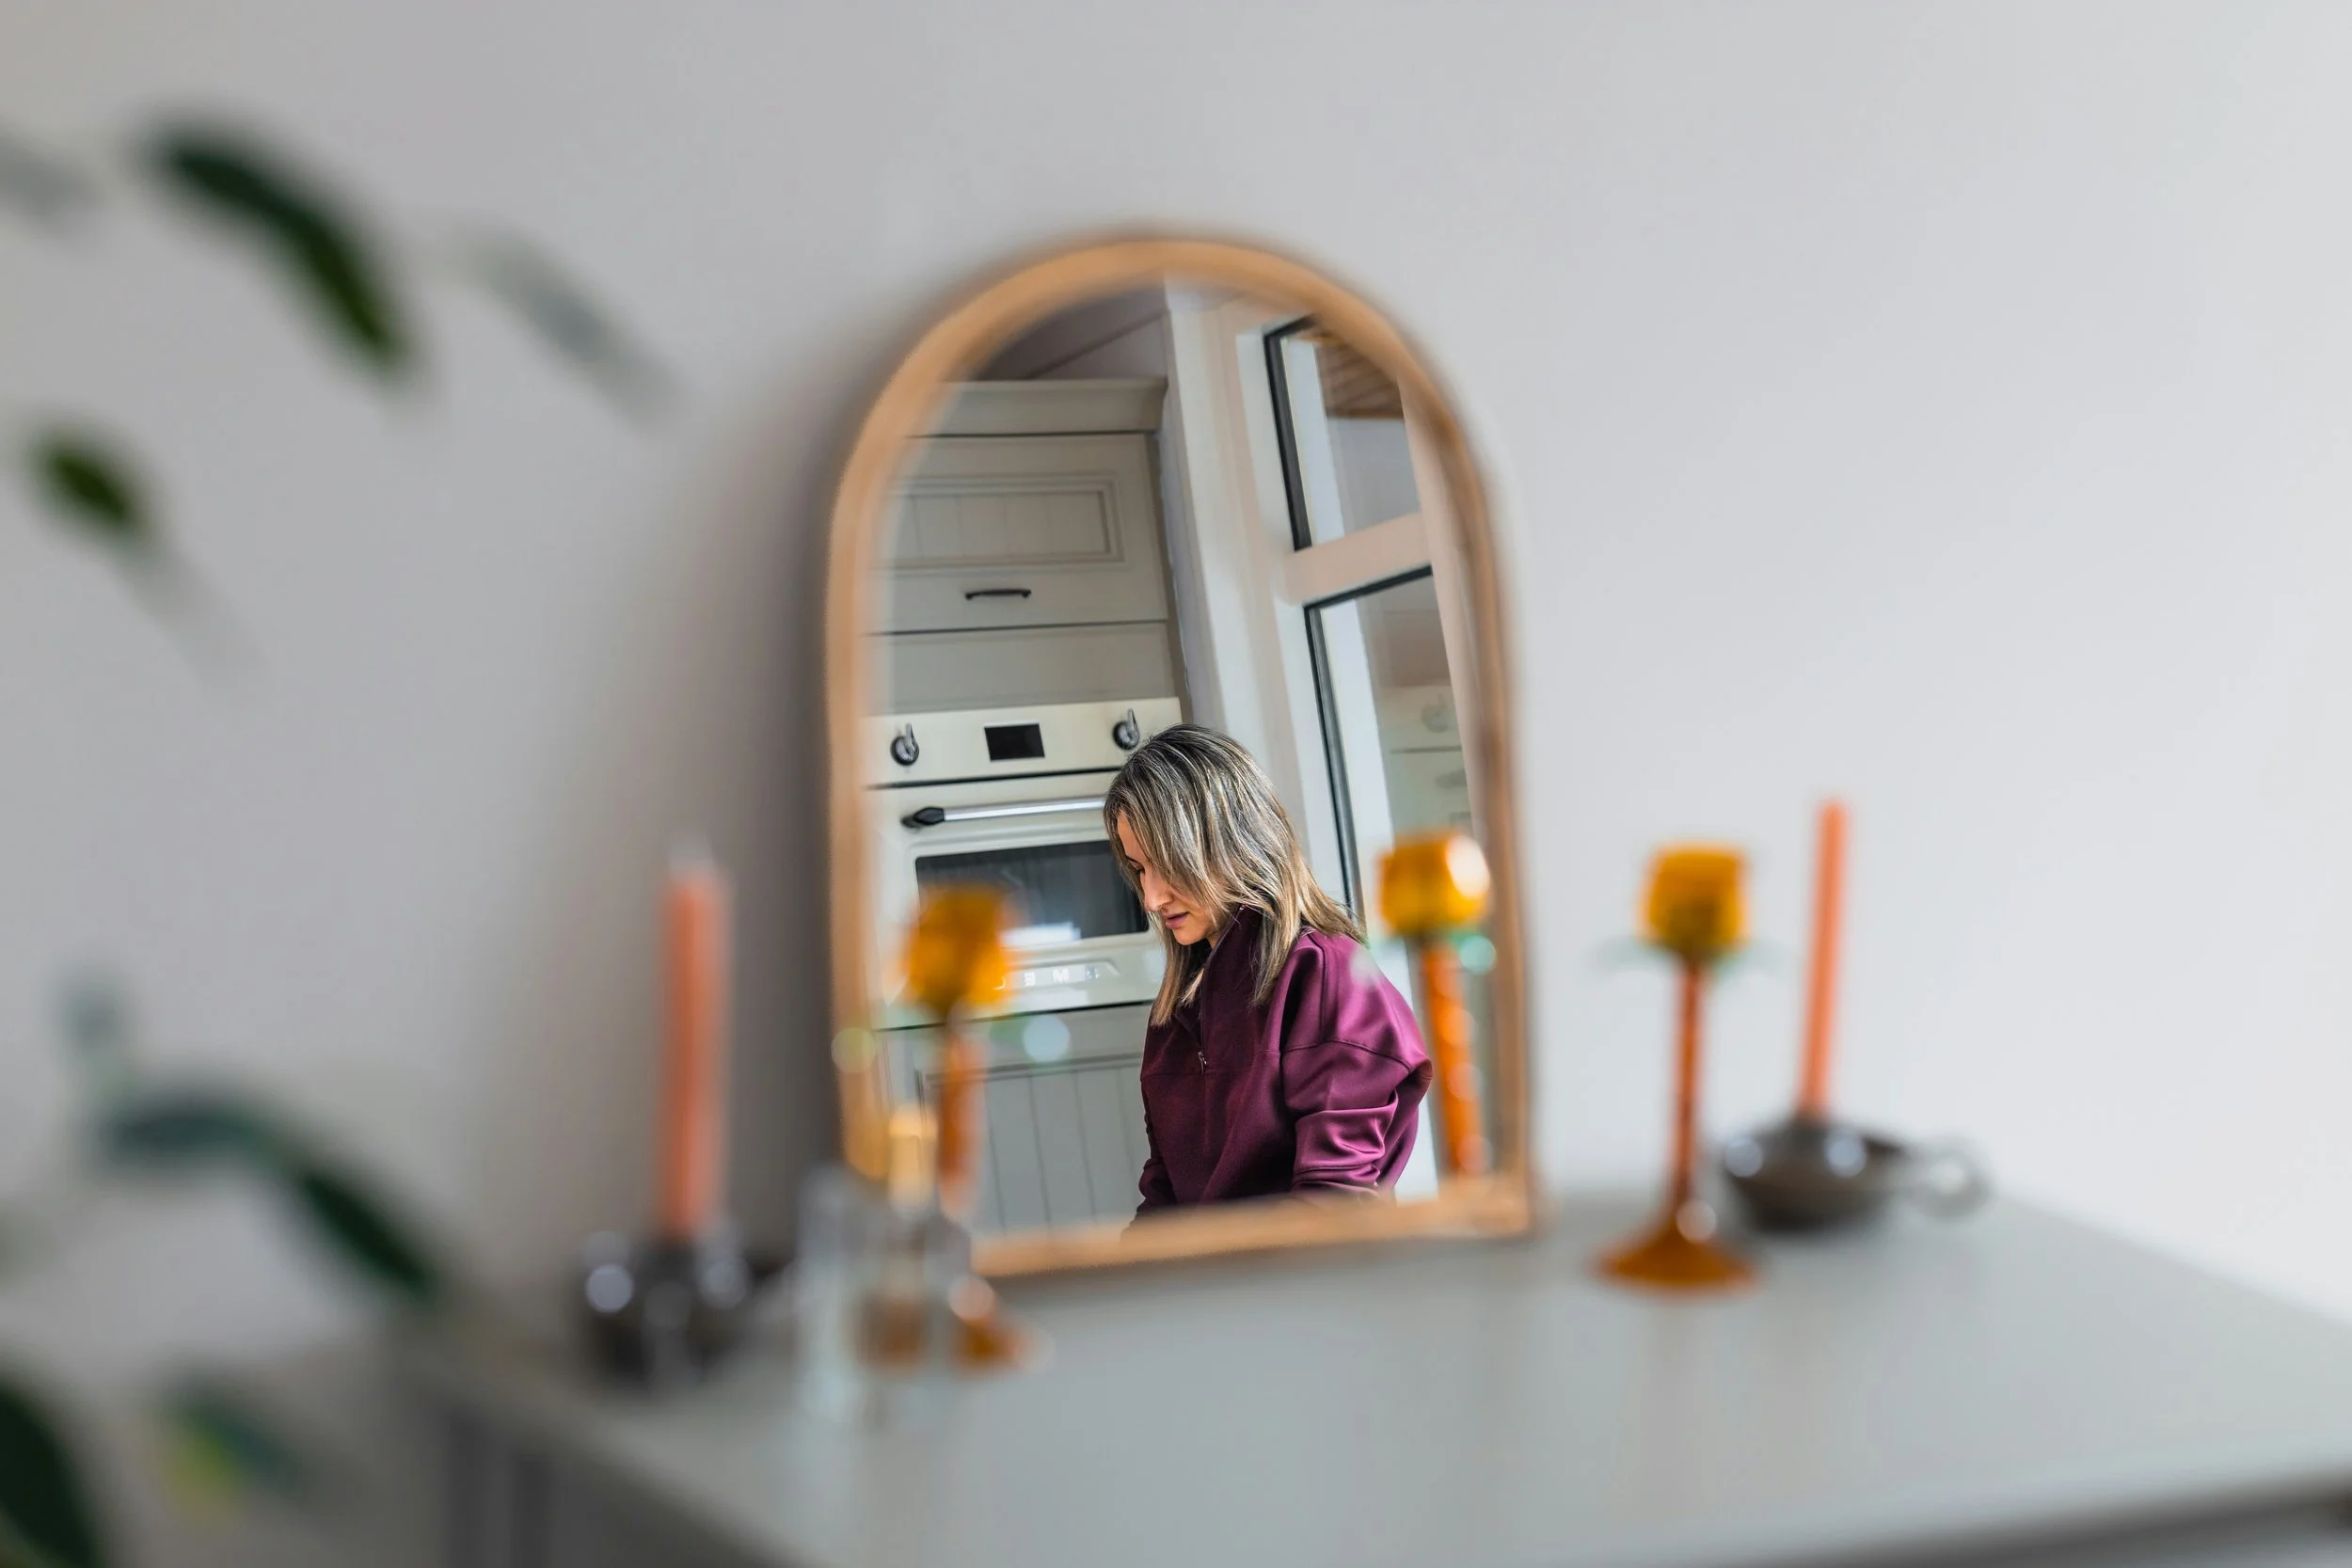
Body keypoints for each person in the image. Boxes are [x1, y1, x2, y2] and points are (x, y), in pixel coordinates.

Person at [1104, 723, 1433, 1214]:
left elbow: (1333, 1204)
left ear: (1231, 842)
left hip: (1302, 1285)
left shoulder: (1326, 976)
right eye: (1139, 869)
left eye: (1167, 865)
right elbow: (1164, 1198)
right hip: (1213, 1288)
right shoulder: (1175, 1013)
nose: (1151, 897)